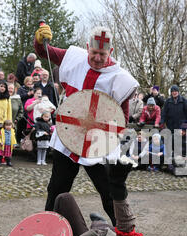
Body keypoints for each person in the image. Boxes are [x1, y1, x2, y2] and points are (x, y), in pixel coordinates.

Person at [34, 24, 139, 225]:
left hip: (98, 144)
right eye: (93, 52)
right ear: (87, 47)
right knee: (56, 191)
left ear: (111, 52)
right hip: (68, 138)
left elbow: (122, 118)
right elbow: (43, 51)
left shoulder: (120, 79)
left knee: (110, 195)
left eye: (102, 53)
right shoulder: (73, 57)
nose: (97, 58)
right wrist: (39, 40)